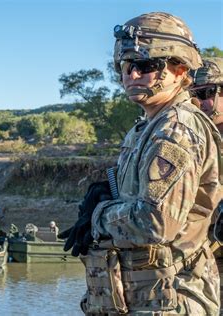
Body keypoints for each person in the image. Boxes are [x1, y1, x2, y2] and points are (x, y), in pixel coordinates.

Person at [64, 12, 221, 315]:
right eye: (126, 65)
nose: (132, 75)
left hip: (172, 297)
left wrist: (99, 215)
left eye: (147, 65)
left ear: (180, 69)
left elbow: (156, 223)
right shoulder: (144, 129)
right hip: (142, 297)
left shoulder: (176, 128)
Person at [190, 57, 223, 251]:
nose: (198, 101)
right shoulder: (191, 136)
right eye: (193, 94)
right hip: (202, 254)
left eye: (206, 93)